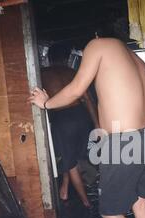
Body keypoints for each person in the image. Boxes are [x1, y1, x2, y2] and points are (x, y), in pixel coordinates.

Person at [29, 28, 145, 218]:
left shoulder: (98, 46)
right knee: (141, 205)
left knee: (110, 211)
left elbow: (77, 89)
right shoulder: (135, 58)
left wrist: (45, 103)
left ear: (96, 36)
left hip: (124, 140)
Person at [41, 44, 99, 208]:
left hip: (62, 118)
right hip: (81, 115)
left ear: (49, 58)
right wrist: (96, 124)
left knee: (69, 161)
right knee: (71, 156)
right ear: (67, 58)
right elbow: (88, 99)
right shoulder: (73, 73)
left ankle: (86, 202)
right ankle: (65, 188)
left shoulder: (42, 74)